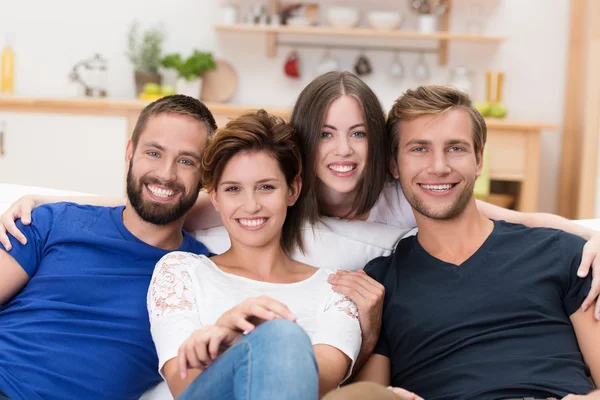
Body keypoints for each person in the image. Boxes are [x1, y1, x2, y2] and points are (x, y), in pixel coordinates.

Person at [1, 72, 599, 366]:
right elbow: (164, 197)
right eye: (327, 135)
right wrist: (47, 202)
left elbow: (508, 216)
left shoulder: (401, 195)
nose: (343, 151)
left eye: (359, 134)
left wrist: (590, 232)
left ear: (382, 151)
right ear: (303, 150)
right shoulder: (261, 202)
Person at [329, 86, 600, 400]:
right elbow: (370, 395)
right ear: (394, 165)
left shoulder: (561, 253)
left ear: (479, 159)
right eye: (419, 149)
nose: (439, 166)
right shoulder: (381, 281)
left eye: (455, 148)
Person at [0, 95, 216, 400]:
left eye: (186, 161)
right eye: (154, 153)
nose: (166, 174)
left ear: (205, 175)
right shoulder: (54, 221)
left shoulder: (202, 274)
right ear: (130, 152)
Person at [147, 110, 362, 400]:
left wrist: (268, 343)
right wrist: (222, 334)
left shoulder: (335, 290)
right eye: (233, 189)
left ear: (292, 190)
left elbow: (316, 385)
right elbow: (183, 385)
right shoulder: (181, 271)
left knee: (282, 335)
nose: (251, 206)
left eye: (266, 187)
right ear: (215, 198)